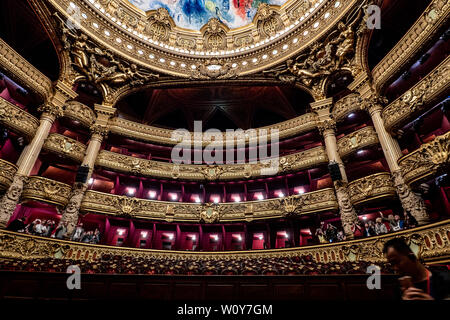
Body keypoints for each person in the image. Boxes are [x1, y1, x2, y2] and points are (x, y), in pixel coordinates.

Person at [383, 238, 450, 300]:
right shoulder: (399, 289)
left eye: (397, 262)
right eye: (392, 265)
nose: (395, 268)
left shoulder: (444, 278)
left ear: (411, 256)